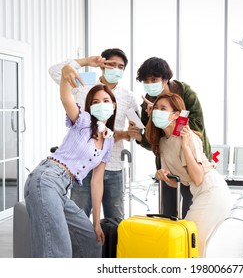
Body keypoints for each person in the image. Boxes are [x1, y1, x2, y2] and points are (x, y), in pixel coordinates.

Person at [24, 66, 116, 257]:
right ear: (90, 106)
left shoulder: (108, 141)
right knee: (58, 252)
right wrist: (67, 73)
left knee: (91, 240)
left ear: (113, 105)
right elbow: (66, 98)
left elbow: (97, 182)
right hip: (47, 179)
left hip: (61, 189)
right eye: (96, 102)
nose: (102, 104)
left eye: (106, 100)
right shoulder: (83, 120)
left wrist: (97, 222)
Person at [49, 49, 139, 220]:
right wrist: (86, 62)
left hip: (112, 165)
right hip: (83, 166)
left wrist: (123, 134)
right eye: (112, 64)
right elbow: (55, 71)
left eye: (121, 67)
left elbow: (135, 132)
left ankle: (109, 247)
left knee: (115, 220)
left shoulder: (128, 97)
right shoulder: (84, 85)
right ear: (103, 64)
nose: (116, 69)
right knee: (78, 217)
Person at [146, 92, 231, 257]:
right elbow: (176, 182)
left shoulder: (188, 138)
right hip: (201, 193)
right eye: (155, 107)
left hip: (212, 191)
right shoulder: (163, 143)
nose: (157, 111)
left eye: (163, 108)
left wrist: (185, 147)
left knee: (188, 240)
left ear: (176, 115)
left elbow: (198, 178)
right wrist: (162, 175)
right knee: (196, 246)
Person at [128, 57, 211, 218]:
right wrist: (139, 135)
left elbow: (196, 126)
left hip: (191, 158)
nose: (150, 84)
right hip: (168, 164)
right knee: (167, 213)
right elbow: (153, 141)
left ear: (166, 79)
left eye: (154, 79)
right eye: (146, 81)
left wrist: (166, 116)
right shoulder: (148, 103)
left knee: (191, 213)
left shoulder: (186, 93)